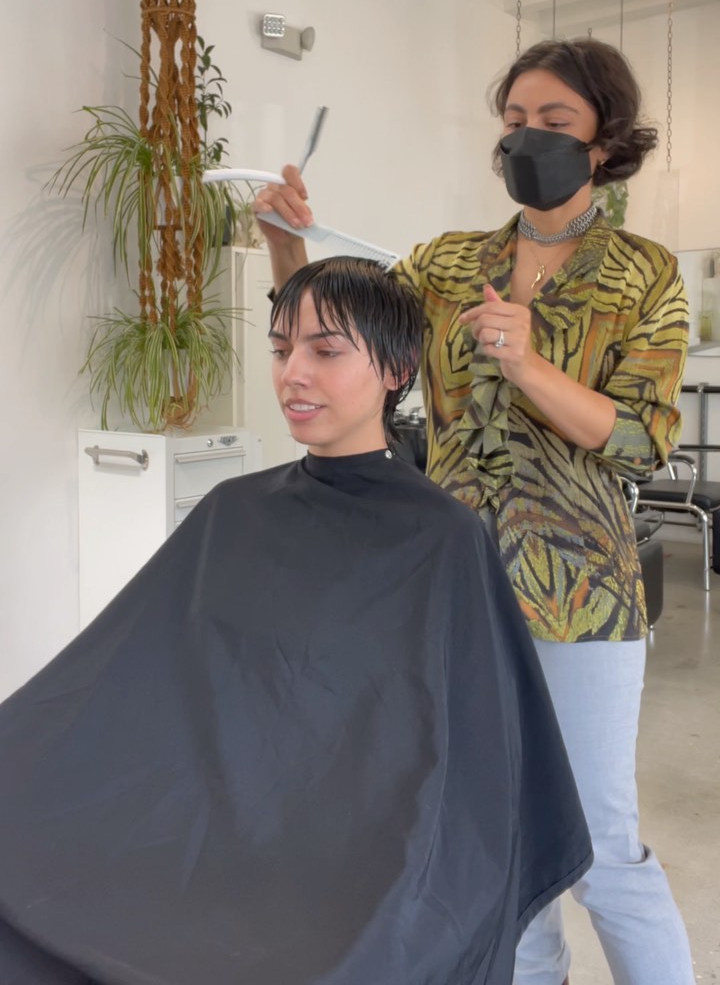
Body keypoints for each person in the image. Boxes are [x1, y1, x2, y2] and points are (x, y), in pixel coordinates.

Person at [0, 257, 591, 984]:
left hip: (358, 865)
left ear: (398, 369)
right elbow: (122, 677)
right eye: (281, 350)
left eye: (326, 351)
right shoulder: (233, 511)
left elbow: (474, 764)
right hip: (218, 835)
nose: (293, 375)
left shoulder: (445, 539)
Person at [253, 38, 695, 985]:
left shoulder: (645, 274)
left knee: (599, 844)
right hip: (453, 584)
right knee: (497, 834)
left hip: (581, 594)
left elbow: (641, 439)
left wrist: (528, 366)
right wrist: (287, 241)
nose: (529, 138)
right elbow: (343, 337)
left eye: (555, 122)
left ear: (605, 141)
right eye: (515, 121)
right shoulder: (447, 264)